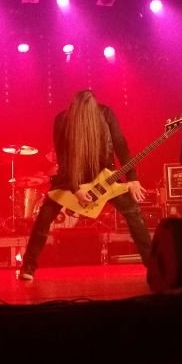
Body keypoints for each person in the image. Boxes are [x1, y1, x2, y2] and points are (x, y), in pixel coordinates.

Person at [18, 90, 151, 281]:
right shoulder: (62, 120)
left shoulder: (106, 114)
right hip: (71, 178)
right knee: (44, 217)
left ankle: (152, 263)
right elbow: (63, 159)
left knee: (133, 212)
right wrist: (75, 188)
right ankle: (28, 267)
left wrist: (132, 178)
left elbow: (121, 145)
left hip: (104, 177)